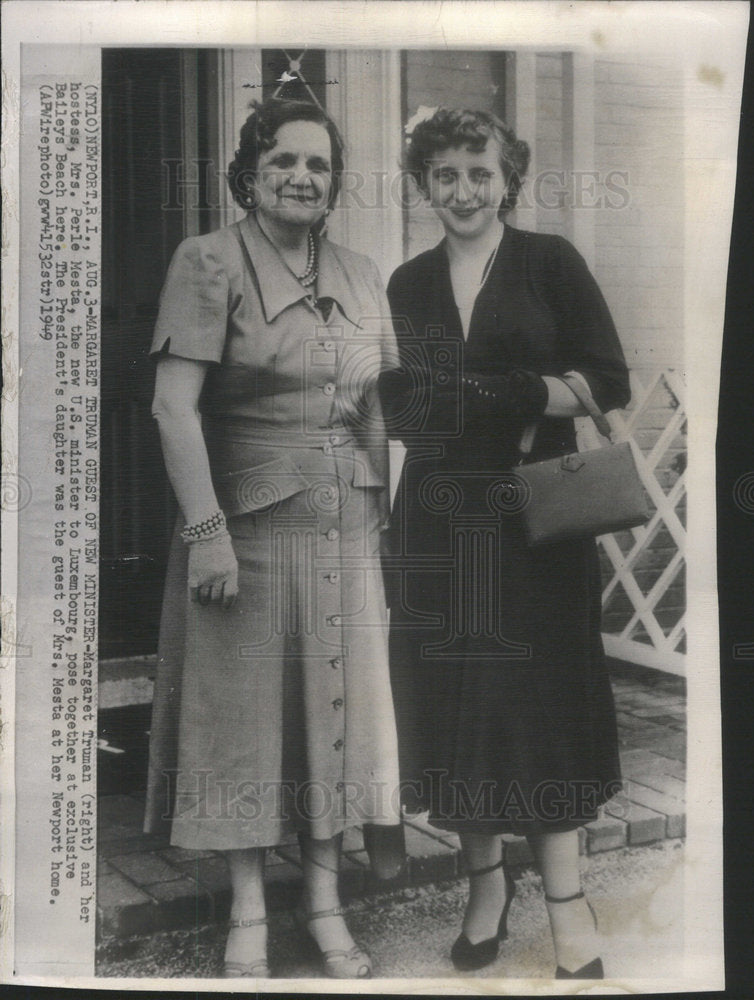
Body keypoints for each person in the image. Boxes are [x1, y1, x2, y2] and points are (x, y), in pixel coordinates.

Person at [143, 97, 403, 980]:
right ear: (248, 173)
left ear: (335, 182)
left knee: (333, 712)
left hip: (345, 525)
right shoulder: (207, 261)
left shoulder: (363, 273)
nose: (301, 177)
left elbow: (378, 411)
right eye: (283, 161)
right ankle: (248, 914)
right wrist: (207, 530)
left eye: (318, 165)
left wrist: (380, 498)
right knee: (244, 725)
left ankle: (326, 905)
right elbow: (172, 408)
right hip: (244, 530)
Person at [380, 108, 631, 979]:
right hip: (443, 519)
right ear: (423, 185)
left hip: (535, 524)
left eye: (478, 172)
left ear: (507, 177)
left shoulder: (549, 262)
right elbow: (410, 407)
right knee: (457, 708)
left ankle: (566, 904)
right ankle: (484, 887)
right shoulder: (407, 284)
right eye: (443, 175)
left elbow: (607, 380)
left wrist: (510, 395)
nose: (462, 190)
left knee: (543, 709)